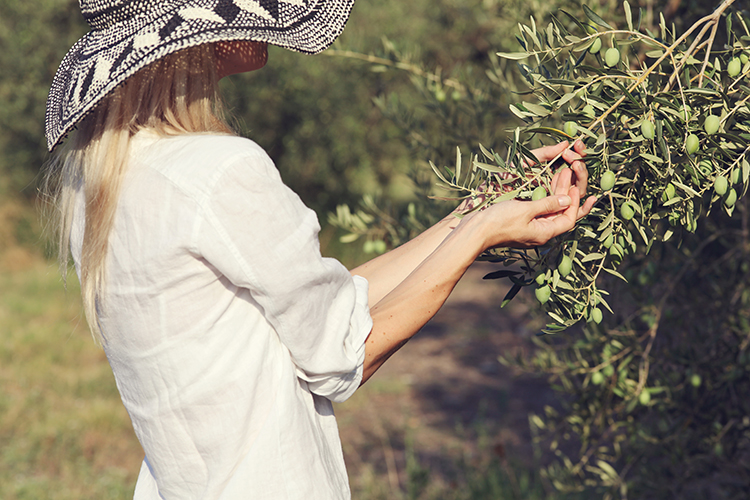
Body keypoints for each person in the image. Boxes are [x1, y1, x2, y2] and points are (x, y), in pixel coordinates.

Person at [42, 0, 596, 498]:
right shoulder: (219, 171)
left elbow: (329, 307)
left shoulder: (98, 183)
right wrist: (483, 234)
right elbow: (345, 355)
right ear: (193, 40)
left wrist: (474, 212)